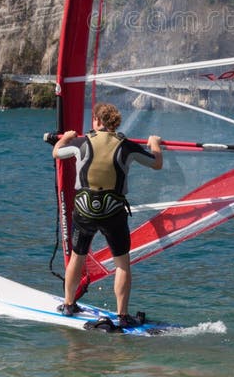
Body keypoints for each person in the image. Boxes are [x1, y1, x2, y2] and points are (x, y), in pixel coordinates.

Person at [52, 101, 163, 324]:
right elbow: (156, 163)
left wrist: (66, 137)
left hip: (85, 211)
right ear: (114, 123)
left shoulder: (81, 143)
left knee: (77, 256)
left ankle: (69, 304)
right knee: (122, 263)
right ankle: (122, 315)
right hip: (113, 212)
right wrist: (155, 144)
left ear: (97, 121)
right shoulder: (127, 146)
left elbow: (57, 153)